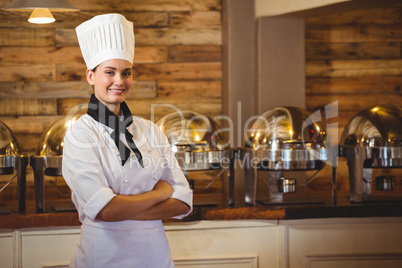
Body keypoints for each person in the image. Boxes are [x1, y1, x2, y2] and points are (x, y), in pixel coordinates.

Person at [62, 13, 193, 268]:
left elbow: (183, 202)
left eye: (126, 72)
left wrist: (124, 208)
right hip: (103, 257)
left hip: (155, 257)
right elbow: (105, 211)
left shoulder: (151, 130)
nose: (119, 81)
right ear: (91, 76)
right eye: (109, 72)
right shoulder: (81, 135)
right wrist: (160, 193)